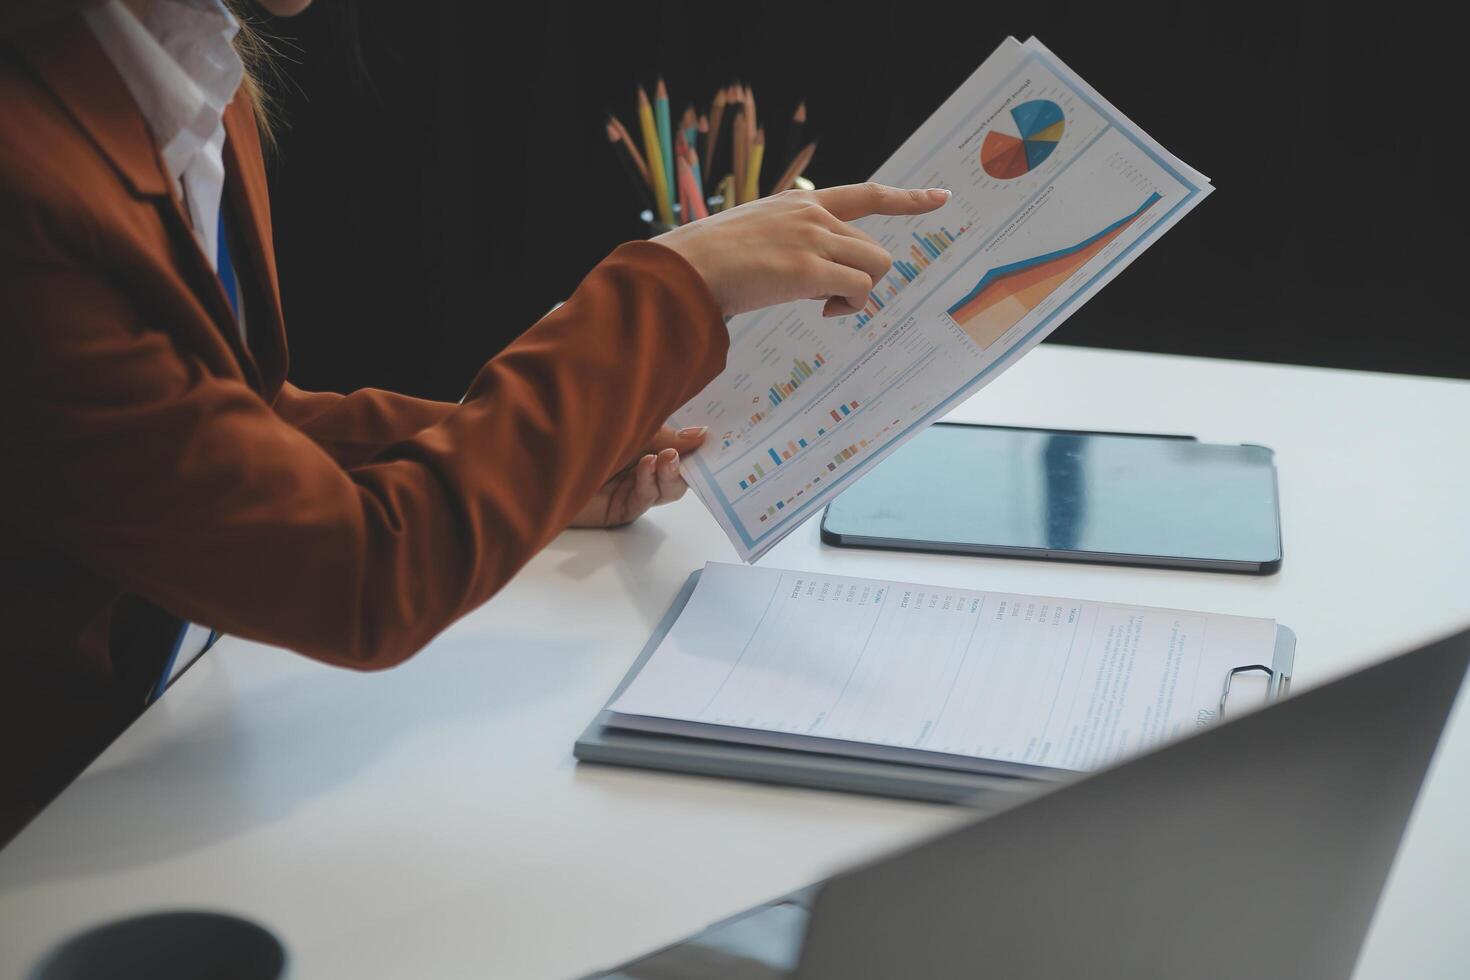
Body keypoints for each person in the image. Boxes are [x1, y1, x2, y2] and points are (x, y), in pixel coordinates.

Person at [0, 0, 949, 844]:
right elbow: (361, 578)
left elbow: (229, 428)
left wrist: (528, 464)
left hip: (172, 750)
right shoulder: (35, 179)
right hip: (63, 822)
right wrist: (676, 284)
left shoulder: (188, 63)